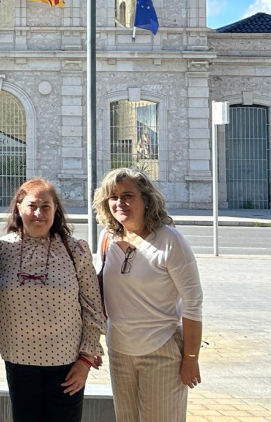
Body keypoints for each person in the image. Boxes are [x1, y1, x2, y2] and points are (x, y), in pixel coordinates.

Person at [0, 178, 104, 422]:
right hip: (18, 361)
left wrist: (86, 359)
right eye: (32, 206)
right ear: (19, 207)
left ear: (56, 210)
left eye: (46, 206)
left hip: (67, 365)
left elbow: (93, 307)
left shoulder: (75, 250)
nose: (38, 213)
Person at [94, 168, 204, 422]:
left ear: (146, 200)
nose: (120, 203)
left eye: (128, 195)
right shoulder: (107, 238)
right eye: (113, 197)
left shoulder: (170, 240)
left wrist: (190, 358)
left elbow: (193, 303)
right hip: (119, 352)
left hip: (161, 352)